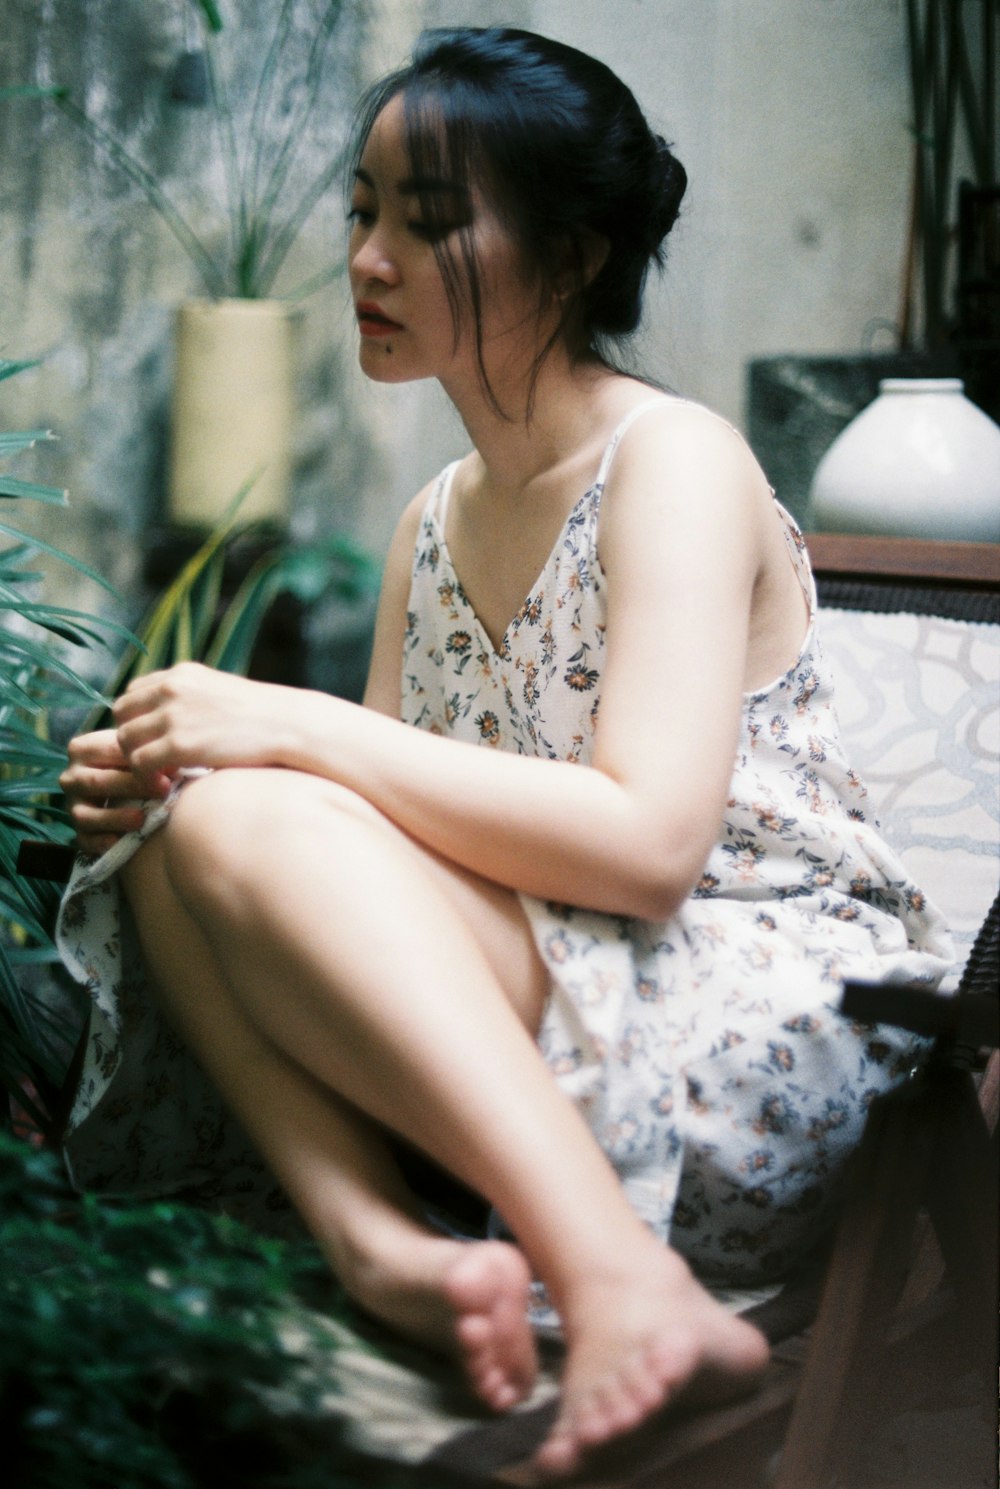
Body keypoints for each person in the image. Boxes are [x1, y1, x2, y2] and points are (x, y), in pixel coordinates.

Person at [57, 27, 952, 1478]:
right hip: (548, 1023)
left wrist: (296, 724)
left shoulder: (673, 461)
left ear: (577, 249)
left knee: (248, 793)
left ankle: (621, 1283)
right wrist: (171, 787)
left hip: (742, 1020)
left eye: (431, 222)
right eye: (361, 211)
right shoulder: (432, 520)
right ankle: (384, 1248)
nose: (369, 258)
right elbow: (380, 853)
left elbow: (651, 850)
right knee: (191, 826)